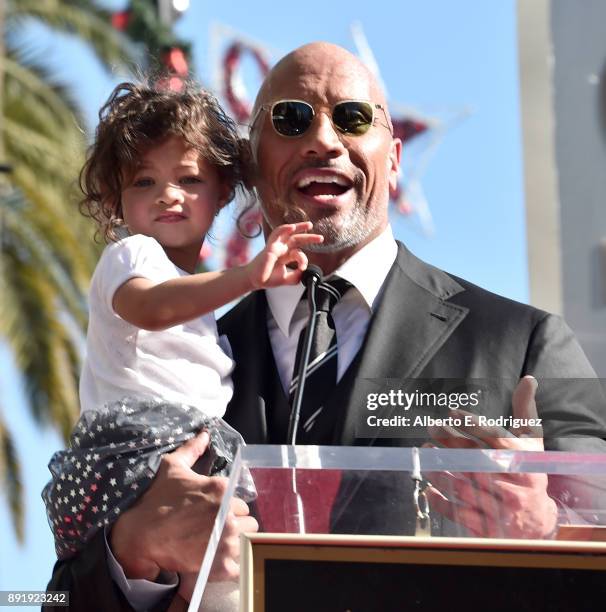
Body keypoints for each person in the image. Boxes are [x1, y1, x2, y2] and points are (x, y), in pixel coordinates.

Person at [47, 43, 606, 611]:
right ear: (249, 163)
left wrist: (545, 527)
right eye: (292, 118)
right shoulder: (173, 361)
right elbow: (59, 600)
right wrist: (136, 551)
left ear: (394, 156)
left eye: (353, 117)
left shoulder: (528, 342)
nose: (323, 140)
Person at [44, 80, 322, 608]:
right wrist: (248, 276)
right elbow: (151, 307)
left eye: (188, 179)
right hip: (137, 450)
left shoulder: (210, 312)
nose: (167, 194)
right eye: (144, 182)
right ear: (116, 202)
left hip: (187, 454)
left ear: (222, 193)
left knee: (218, 568)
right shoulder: (134, 256)